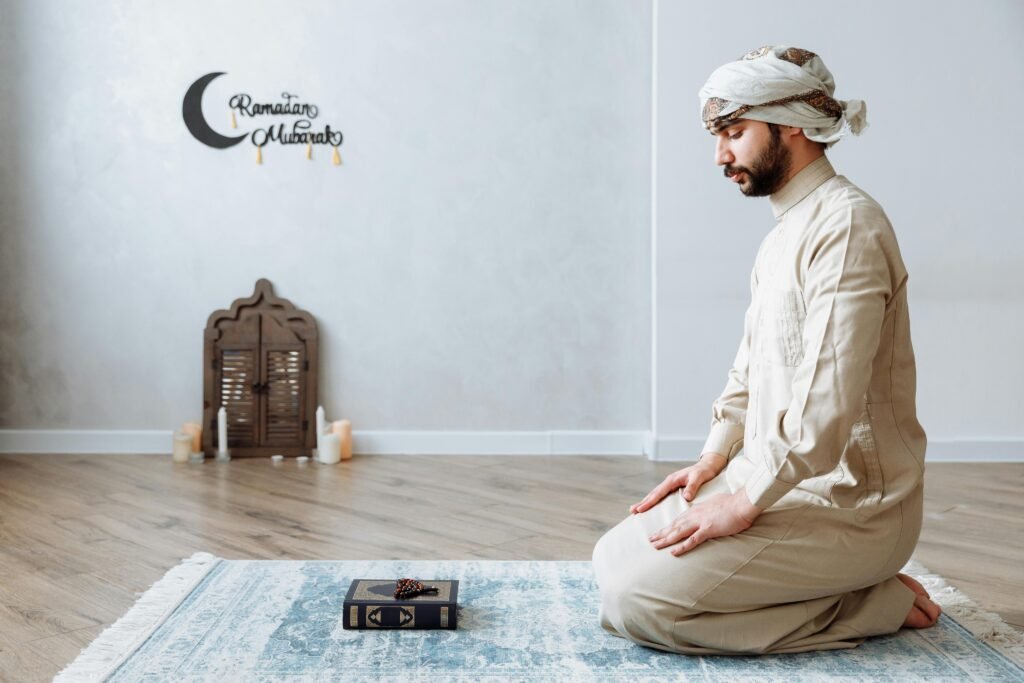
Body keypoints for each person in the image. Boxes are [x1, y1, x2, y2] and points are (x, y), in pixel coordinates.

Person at [592, 45, 941, 655]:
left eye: (733, 132)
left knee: (639, 603)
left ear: (792, 125)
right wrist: (713, 461)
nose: (721, 155)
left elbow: (826, 408)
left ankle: (868, 599)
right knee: (611, 557)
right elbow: (748, 371)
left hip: (854, 505)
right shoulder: (784, 235)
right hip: (770, 476)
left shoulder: (849, 226)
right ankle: (829, 586)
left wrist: (744, 504)